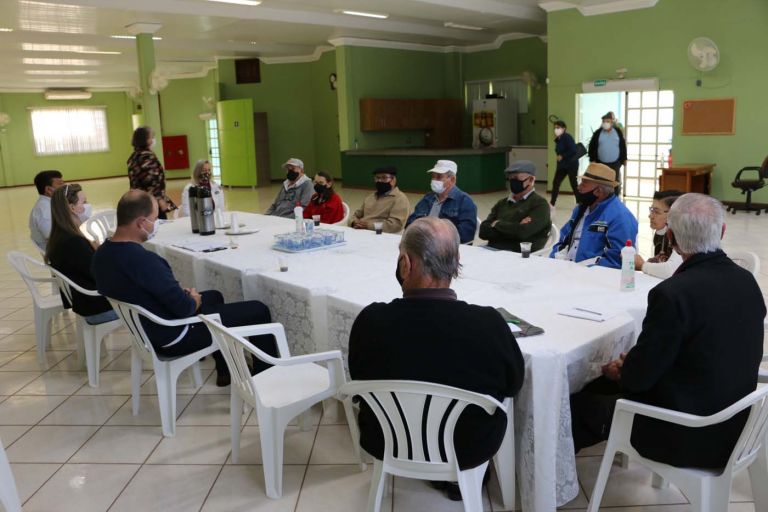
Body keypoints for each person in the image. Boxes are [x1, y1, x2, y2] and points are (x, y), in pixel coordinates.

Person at [570, 193, 765, 469]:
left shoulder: (673, 294)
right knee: (603, 384)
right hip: (738, 423)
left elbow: (639, 380)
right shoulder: (746, 280)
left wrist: (626, 369)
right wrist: (633, 366)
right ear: (722, 231)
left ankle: (550, 484)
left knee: (575, 405)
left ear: (671, 237)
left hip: (689, 434)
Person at [348, 217, 525, 501]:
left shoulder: (371, 321)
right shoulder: (488, 324)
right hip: (466, 447)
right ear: (456, 263)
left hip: (387, 439)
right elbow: (513, 383)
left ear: (405, 264)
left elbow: (359, 380)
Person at [92, 190, 276, 386]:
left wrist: (183, 296)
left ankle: (225, 371)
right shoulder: (145, 261)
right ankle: (266, 381)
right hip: (173, 335)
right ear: (141, 223)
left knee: (214, 296)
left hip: (146, 329)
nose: (157, 224)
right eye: (155, 219)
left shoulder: (101, 255)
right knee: (258, 310)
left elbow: (145, 290)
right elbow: (184, 309)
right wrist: (192, 299)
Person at [45, 183, 116, 325]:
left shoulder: (60, 236)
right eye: (83, 202)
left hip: (87, 303)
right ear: (72, 208)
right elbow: (99, 273)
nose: (86, 206)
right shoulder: (72, 241)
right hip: (97, 307)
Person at [549, 163, 638, 269]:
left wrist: (579, 269)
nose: (578, 187)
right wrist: (555, 259)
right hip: (568, 269)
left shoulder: (620, 217)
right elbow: (563, 239)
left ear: (598, 191)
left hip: (593, 274)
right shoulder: (581, 209)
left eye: (584, 184)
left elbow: (616, 261)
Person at [479, 160, 551, 252]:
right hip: (492, 250)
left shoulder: (540, 205)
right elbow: (483, 231)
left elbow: (523, 233)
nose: (513, 182)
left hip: (518, 255)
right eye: (511, 178)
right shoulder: (502, 203)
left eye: (516, 178)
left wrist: (497, 224)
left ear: (531, 180)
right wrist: (516, 226)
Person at [405, 160, 478, 244]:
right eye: (433, 176)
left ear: (452, 180)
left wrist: (436, 235)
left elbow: (466, 234)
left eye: (439, 177)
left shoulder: (464, 201)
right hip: (423, 243)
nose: (434, 180)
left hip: (447, 247)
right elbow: (410, 222)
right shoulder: (428, 197)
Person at [128, 126, 176, 220]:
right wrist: (160, 200)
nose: (154, 139)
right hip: (150, 203)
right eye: (151, 137)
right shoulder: (146, 157)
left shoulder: (135, 155)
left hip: (139, 200)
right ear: (145, 140)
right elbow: (150, 181)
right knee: (158, 225)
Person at [635, 189, 683, 279]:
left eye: (656, 212)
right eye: (651, 210)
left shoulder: (683, 235)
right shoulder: (661, 232)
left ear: (674, 214)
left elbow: (670, 271)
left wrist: (642, 265)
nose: (650, 216)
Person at [349, 166, 410, 233]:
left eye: (384, 178)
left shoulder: (400, 199)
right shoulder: (370, 197)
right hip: (361, 232)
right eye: (377, 178)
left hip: (381, 235)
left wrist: (369, 226)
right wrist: (354, 222)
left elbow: (395, 225)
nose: (380, 181)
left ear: (393, 180)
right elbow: (355, 215)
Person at [29, 169, 64, 251]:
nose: (65, 186)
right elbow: (53, 238)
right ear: (48, 190)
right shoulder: (44, 210)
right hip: (57, 252)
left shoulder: (51, 203)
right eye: (60, 184)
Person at [587, 112, 626, 183]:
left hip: (615, 163)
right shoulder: (597, 133)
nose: (605, 123)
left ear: (612, 122)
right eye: (603, 121)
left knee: (614, 183)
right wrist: (592, 159)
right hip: (601, 163)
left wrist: (624, 159)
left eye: (607, 121)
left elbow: (623, 146)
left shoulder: (618, 132)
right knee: (601, 182)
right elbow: (591, 146)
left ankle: (615, 190)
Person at [550, 120, 580, 207]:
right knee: (556, 182)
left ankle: (580, 203)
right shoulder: (558, 139)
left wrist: (562, 156)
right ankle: (552, 203)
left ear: (563, 129)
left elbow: (573, 150)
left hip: (571, 164)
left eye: (558, 128)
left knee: (573, 183)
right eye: (555, 128)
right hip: (562, 165)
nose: (556, 129)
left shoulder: (567, 137)